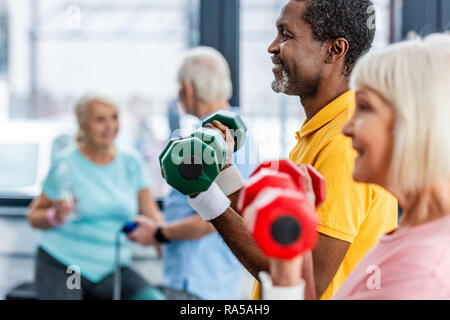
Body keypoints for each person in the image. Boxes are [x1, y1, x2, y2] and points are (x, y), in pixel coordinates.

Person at [185, 0, 398, 300]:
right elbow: (278, 236)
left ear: (334, 50)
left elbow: (305, 281)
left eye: (286, 35)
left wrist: (205, 197)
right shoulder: (321, 130)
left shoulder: (344, 143)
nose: (273, 47)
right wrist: (222, 171)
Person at [267, 33, 450, 300]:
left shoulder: (421, 274)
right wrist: (294, 242)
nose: (349, 127)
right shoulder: (411, 236)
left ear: (413, 126)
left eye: (364, 108)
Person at [127, 47, 258, 300]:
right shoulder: (224, 131)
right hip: (204, 276)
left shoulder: (220, 136)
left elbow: (218, 214)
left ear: (186, 89)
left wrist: (158, 233)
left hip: (199, 278)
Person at [27, 95, 165, 300]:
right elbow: (33, 215)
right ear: (83, 126)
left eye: (114, 118)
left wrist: (165, 245)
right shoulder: (65, 163)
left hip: (112, 268)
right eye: (100, 120)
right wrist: (54, 215)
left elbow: (153, 217)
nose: (109, 126)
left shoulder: (131, 163)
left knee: (152, 298)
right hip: (67, 264)